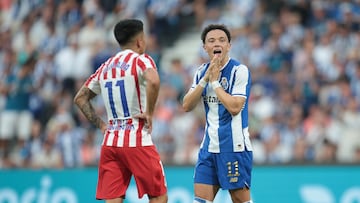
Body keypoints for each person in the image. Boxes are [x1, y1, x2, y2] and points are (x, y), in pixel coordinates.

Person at [73, 19, 168, 203]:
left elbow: (80, 98)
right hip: (137, 139)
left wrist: (101, 125)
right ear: (140, 41)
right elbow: (154, 81)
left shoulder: (105, 66)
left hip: (110, 143)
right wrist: (149, 112)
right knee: (158, 197)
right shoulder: (142, 60)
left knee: (114, 199)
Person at [182, 24, 253, 203]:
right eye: (211, 41)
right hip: (208, 148)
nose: (217, 44)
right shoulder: (200, 72)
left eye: (222, 40)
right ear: (204, 47)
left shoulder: (239, 70)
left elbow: (235, 107)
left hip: (234, 147)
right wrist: (205, 79)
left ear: (229, 45)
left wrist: (215, 83)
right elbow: (187, 105)